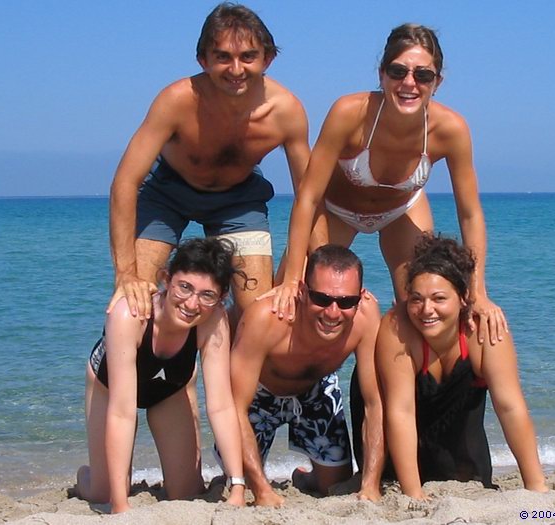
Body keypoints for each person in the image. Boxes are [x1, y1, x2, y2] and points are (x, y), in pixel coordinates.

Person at [268, 23, 506, 345]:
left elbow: (470, 214)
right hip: (336, 211)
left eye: (423, 75)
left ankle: (400, 373)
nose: (409, 83)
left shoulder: (451, 129)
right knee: (291, 304)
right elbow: (308, 197)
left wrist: (478, 291)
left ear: (437, 82)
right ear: (382, 75)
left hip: (401, 212)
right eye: (398, 71)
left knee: (421, 305)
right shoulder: (350, 113)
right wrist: (292, 277)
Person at [107, 2, 309, 321]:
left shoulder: (286, 112)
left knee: (258, 311)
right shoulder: (176, 100)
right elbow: (125, 182)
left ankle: (224, 346)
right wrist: (125, 273)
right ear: (203, 60)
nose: (236, 69)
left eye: (248, 57)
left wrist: (295, 275)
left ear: (267, 59)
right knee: (136, 300)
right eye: (223, 57)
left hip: (238, 200)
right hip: (167, 192)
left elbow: (309, 195)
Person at [365, 233, 547, 499]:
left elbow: (510, 407)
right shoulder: (397, 328)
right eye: (416, 299)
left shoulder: (484, 331)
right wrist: (413, 494)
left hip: (461, 453)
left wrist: (536, 485)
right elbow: (401, 412)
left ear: (463, 298)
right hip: (402, 452)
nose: (426, 309)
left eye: (439, 298)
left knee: (470, 475)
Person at [76, 238, 246, 513]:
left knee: (185, 493)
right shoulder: (129, 315)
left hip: (170, 389)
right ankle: (88, 475)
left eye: (207, 295)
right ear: (167, 279)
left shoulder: (214, 320)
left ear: (221, 298)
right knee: (103, 492)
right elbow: (122, 413)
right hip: (109, 388)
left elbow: (221, 405)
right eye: (184, 287)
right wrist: (120, 505)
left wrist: (237, 485)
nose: (192, 304)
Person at [228, 245, 384, 506]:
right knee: (236, 480)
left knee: (334, 486)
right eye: (321, 299)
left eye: (346, 302)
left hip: (316, 390)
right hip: (260, 395)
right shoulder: (267, 317)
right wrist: (262, 491)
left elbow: (375, 403)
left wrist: (371, 485)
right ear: (302, 291)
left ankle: (304, 478)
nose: (332, 312)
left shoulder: (366, 318)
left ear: (361, 297)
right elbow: (235, 406)